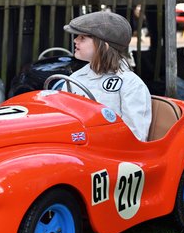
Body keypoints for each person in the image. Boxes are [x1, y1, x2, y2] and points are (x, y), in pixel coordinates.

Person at [63, 11, 152, 141]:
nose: (75, 40)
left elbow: (136, 136)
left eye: (83, 38)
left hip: (111, 156)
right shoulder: (76, 78)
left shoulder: (131, 84)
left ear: (103, 46)